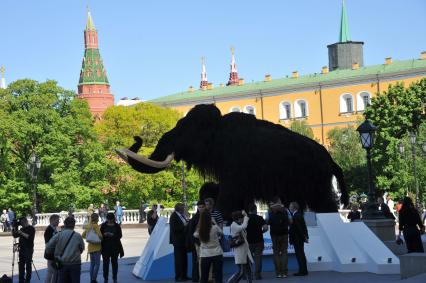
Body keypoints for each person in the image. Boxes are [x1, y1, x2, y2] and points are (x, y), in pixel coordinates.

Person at [46, 216, 85, 283]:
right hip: (75, 264)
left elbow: (48, 246)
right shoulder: (78, 236)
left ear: (65, 224)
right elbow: (82, 248)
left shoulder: (59, 235)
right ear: (74, 225)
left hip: (62, 263)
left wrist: (55, 254)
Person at [194, 210, 223, 283]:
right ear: (210, 218)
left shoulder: (200, 230)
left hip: (205, 254)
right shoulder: (215, 227)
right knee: (218, 275)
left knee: (204, 276)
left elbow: (195, 235)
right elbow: (221, 232)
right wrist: (214, 222)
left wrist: (199, 225)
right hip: (217, 253)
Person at [227, 210, 253, 283]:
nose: (242, 220)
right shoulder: (234, 225)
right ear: (238, 218)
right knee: (241, 272)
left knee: (248, 269)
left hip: (245, 251)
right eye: (241, 218)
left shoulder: (238, 225)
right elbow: (244, 226)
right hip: (240, 251)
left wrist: (244, 217)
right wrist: (246, 216)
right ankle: (230, 281)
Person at [267, 199, 291, 278]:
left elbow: (266, 221)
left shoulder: (270, 211)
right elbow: (291, 221)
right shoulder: (285, 210)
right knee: (284, 252)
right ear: (279, 202)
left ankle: (278, 273)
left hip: (274, 234)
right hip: (284, 233)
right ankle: (284, 273)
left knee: (276, 253)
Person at [246, 204, 268, 280]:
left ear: (249, 210)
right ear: (255, 209)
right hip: (259, 241)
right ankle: (258, 275)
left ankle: (249, 275)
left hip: (249, 242)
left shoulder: (246, 218)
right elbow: (266, 228)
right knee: (258, 258)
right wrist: (262, 232)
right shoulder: (260, 218)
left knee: (249, 259)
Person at [101, 212, 123, 283]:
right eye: (108, 219)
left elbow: (120, 235)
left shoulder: (117, 226)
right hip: (105, 247)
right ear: (107, 219)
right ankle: (105, 278)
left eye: (111, 219)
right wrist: (104, 234)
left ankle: (115, 278)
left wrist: (112, 235)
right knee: (105, 264)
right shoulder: (103, 225)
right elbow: (100, 235)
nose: (109, 221)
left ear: (113, 219)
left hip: (115, 247)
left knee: (114, 263)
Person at [170, 203, 189, 282]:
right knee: (179, 259)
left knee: (184, 259)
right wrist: (185, 225)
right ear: (180, 209)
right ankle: (178, 276)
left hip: (183, 241)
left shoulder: (182, 215)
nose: (184, 209)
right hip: (178, 241)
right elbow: (175, 228)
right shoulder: (174, 216)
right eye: (183, 208)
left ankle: (184, 275)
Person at [187, 200, 205, 282]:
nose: (201, 208)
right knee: (196, 261)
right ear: (198, 207)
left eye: (202, 207)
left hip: (205, 242)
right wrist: (195, 242)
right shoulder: (195, 217)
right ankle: (196, 278)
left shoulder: (207, 216)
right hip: (197, 243)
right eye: (199, 207)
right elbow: (191, 232)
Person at [12, 217, 35, 283]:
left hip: (28, 249)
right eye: (21, 224)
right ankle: (21, 280)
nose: (21, 225)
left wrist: (21, 233)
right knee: (21, 266)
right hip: (21, 249)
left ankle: (27, 281)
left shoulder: (31, 228)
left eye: (22, 223)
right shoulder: (22, 229)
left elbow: (29, 237)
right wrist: (14, 227)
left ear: (25, 222)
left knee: (28, 266)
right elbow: (15, 235)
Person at [289, 202, 309, 276]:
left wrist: (304, 237)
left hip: (297, 239)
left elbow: (299, 228)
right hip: (300, 239)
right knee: (301, 254)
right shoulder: (299, 215)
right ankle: (304, 270)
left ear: (294, 207)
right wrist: (306, 237)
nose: (289, 208)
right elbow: (304, 227)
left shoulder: (295, 216)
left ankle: (302, 271)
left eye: (290, 207)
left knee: (299, 255)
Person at [82, 213, 103, 283]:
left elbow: (83, 235)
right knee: (97, 264)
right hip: (97, 247)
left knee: (92, 264)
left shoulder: (88, 226)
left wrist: (90, 238)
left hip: (90, 248)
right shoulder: (95, 226)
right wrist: (101, 238)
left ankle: (91, 279)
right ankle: (94, 279)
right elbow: (100, 235)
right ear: (96, 218)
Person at [44, 214, 60, 283]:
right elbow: (48, 244)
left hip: (55, 254)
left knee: (55, 272)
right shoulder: (48, 230)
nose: (58, 222)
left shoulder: (55, 228)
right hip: (51, 254)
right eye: (57, 220)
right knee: (51, 272)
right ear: (52, 220)